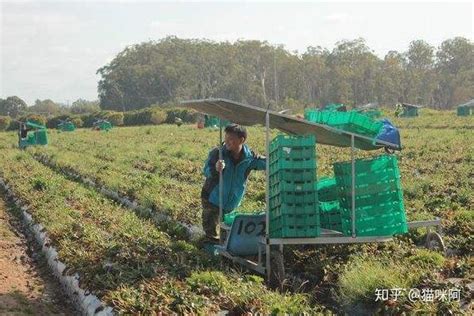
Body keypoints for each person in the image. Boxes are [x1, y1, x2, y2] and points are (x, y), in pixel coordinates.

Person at [201, 124, 266, 242]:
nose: (227, 142)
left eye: (231, 139)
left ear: (242, 140)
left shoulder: (249, 158)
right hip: (212, 199)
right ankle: (208, 251)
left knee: (226, 234)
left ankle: (223, 253)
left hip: (231, 202)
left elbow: (265, 163)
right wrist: (215, 169)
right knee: (210, 233)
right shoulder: (218, 153)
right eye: (226, 138)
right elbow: (206, 170)